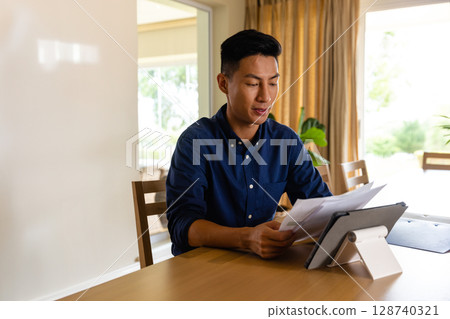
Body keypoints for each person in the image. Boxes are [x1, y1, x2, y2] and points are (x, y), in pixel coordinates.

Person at [166, 29, 331, 259]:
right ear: (224, 83)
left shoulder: (285, 141)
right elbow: (182, 226)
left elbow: (321, 207)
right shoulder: (195, 142)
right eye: (253, 84)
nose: (266, 96)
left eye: (273, 83)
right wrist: (248, 238)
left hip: (260, 267)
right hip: (203, 270)